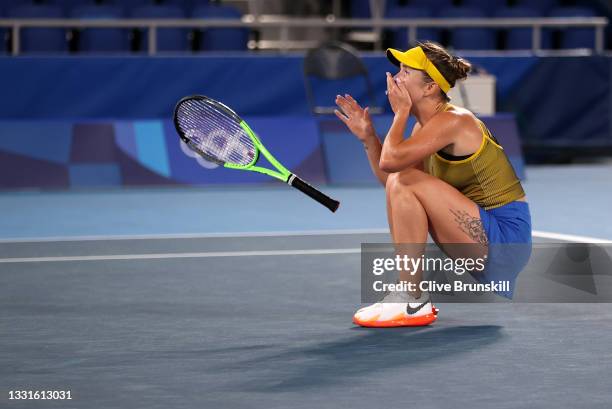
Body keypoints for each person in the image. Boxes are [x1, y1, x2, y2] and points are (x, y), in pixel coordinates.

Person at [334, 41, 532, 327]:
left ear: (429, 88)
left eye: (405, 71)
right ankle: (410, 296)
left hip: (505, 239)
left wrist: (400, 113)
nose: (395, 78)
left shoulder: (455, 121)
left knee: (406, 179)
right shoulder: (423, 127)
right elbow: (394, 186)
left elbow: (393, 167)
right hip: (479, 236)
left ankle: (413, 299)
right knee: (403, 182)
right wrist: (368, 140)